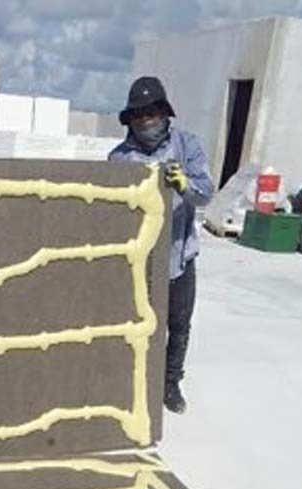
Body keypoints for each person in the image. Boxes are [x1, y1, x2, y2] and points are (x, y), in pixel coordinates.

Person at [109, 76, 214, 414]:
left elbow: (206, 194)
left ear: (164, 113)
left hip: (178, 255)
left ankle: (170, 384)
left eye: (151, 113)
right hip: (138, 257)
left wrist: (183, 184)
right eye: (139, 115)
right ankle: (131, 381)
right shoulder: (119, 158)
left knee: (178, 325)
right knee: (134, 322)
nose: (145, 120)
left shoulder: (187, 145)